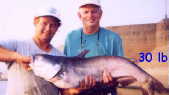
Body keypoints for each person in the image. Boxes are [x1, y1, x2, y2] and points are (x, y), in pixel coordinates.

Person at [64, 0, 124, 95]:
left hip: (106, 91)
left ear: (100, 14)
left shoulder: (113, 38)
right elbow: (66, 67)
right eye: (86, 12)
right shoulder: (70, 37)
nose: (90, 15)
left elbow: (122, 69)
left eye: (94, 11)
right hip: (79, 92)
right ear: (79, 15)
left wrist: (113, 80)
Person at [0, 6, 62, 95]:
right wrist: (17, 57)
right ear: (35, 22)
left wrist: (77, 90)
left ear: (57, 28)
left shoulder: (60, 57)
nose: (48, 28)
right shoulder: (17, 45)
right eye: (44, 23)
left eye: (52, 25)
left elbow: (65, 91)